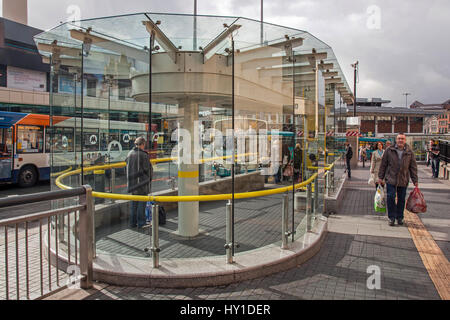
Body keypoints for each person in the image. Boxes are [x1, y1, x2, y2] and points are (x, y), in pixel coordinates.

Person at [378, 133, 418, 226]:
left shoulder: (409, 152)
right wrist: (380, 177)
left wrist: (415, 180)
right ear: (396, 140)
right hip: (391, 178)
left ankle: (400, 217)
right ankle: (391, 217)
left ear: (405, 140)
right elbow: (383, 164)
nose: (400, 140)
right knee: (391, 197)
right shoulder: (389, 150)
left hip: (403, 179)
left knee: (401, 199)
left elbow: (413, 167)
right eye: (399, 138)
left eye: (402, 139)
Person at [126, 137, 153, 228]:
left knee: (134, 204)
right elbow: (147, 170)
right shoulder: (143, 155)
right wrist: (149, 179)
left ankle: (133, 223)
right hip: (141, 183)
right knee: (142, 203)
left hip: (132, 183)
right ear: (142, 144)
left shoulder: (130, 154)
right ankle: (141, 223)